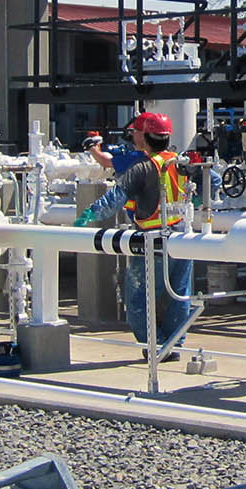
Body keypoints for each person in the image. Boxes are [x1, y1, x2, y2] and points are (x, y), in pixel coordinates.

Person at [78, 111, 195, 358]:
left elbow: (113, 200)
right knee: (179, 296)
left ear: (144, 135)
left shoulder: (142, 168)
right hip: (183, 239)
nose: (132, 137)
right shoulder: (180, 161)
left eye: (135, 132)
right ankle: (174, 345)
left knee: (137, 300)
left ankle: (158, 347)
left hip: (152, 241)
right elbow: (214, 180)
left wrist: (84, 218)